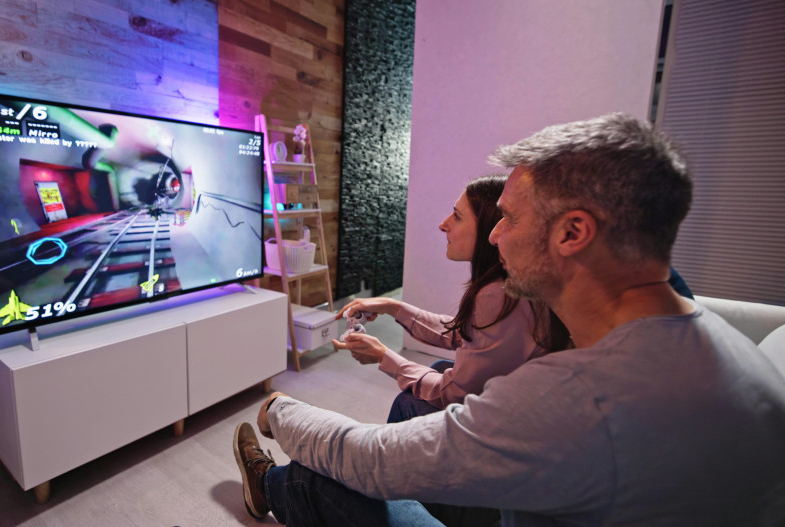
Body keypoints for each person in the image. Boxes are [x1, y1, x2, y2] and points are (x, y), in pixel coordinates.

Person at [233, 113, 785, 526]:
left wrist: (282, 410)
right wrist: (398, 310)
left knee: (324, 479)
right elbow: (465, 340)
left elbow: (372, 460)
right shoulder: (720, 343)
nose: (496, 236)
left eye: (510, 219)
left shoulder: (579, 396)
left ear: (573, 232)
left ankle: (270, 483)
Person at [331, 175, 560, 425]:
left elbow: (452, 394)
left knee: (407, 403)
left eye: (457, 216)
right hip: (519, 401)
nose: (443, 225)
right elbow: (461, 334)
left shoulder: (498, 295)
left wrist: (382, 356)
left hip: (511, 421)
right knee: (440, 366)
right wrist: (392, 306)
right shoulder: (502, 285)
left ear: (489, 227)